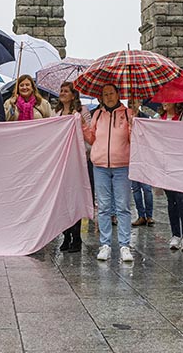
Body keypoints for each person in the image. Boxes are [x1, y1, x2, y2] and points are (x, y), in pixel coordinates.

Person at [82, 84, 134, 263]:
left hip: (122, 166)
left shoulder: (127, 113)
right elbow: (91, 138)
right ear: (101, 97)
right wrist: (83, 126)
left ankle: (124, 245)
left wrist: (134, 125)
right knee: (103, 207)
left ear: (118, 94)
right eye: (105, 94)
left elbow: (133, 139)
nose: (109, 96)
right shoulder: (97, 114)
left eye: (111, 93)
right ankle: (105, 244)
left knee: (123, 207)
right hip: (100, 166)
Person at [56, 82, 90, 253]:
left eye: (66, 91)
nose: (62, 93)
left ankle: (76, 236)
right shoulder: (56, 113)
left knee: (75, 198)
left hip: (76, 160)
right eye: (61, 91)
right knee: (62, 199)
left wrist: (82, 124)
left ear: (73, 95)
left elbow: (90, 134)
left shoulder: (82, 112)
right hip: (61, 161)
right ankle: (66, 235)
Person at [157, 101, 183, 250]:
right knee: (171, 200)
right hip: (167, 165)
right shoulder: (160, 119)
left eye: (168, 99)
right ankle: (175, 234)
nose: (164, 102)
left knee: (182, 199)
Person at [128, 98, 156, 230]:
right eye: (129, 103)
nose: (131, 105)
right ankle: (141, 215)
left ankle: (149, 215)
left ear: (139, 103)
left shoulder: (145, 118)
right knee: (135, 188)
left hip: (145, 157)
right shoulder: (125, 117)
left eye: (134, 102)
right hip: (131, 156)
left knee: (147, 188)